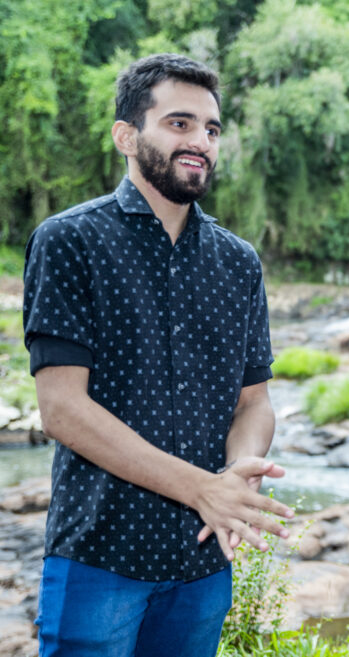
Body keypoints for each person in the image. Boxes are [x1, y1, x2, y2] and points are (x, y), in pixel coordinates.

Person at [22, 53, 294, 657]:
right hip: (99, 554)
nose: (200, 141)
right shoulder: (69, 241)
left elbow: (255, 403)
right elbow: (62, 408)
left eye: (212, 129)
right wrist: (204, 489)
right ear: (127, 135)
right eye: (179, 123)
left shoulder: (238, 261)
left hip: (202, 563)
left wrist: (235, 478)